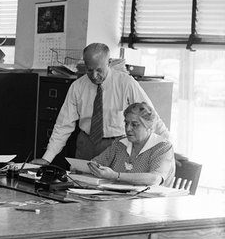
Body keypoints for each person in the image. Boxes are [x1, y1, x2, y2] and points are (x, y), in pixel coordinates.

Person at [33, 42, 170, 164]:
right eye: (89, 70)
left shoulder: (126, 83)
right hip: (86, 143)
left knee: (111, 187)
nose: (94, 75)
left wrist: (167, 146)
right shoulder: (77, 86)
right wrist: (47, 158)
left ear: (109, 62)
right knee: (80, 185)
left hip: (118, 144)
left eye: (99, 70)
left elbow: (150, 116)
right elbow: (63, 124)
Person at [87, 102, 175, 186]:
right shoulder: (120, 143)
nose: (128, 129)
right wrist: (94, 167)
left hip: (149, 199)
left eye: (134, 124)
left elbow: (154, 179)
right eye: (126, 123)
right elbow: (96, 163)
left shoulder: (162, 147)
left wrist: (116, 175)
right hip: (118, 196)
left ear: (149, 127)